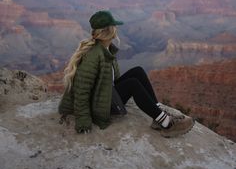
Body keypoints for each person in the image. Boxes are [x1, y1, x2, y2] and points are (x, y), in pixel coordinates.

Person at [58, 10, 194, 138]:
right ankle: (167, 124)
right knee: (132, 84)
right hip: (100, 105)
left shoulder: (105, 49)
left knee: (138, 71)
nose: (117, 29)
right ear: (109, 31)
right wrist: (83, 120)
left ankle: (157, 112)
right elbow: (81, 90)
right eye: (114, 26)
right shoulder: (93, 55)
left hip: (105, 94)